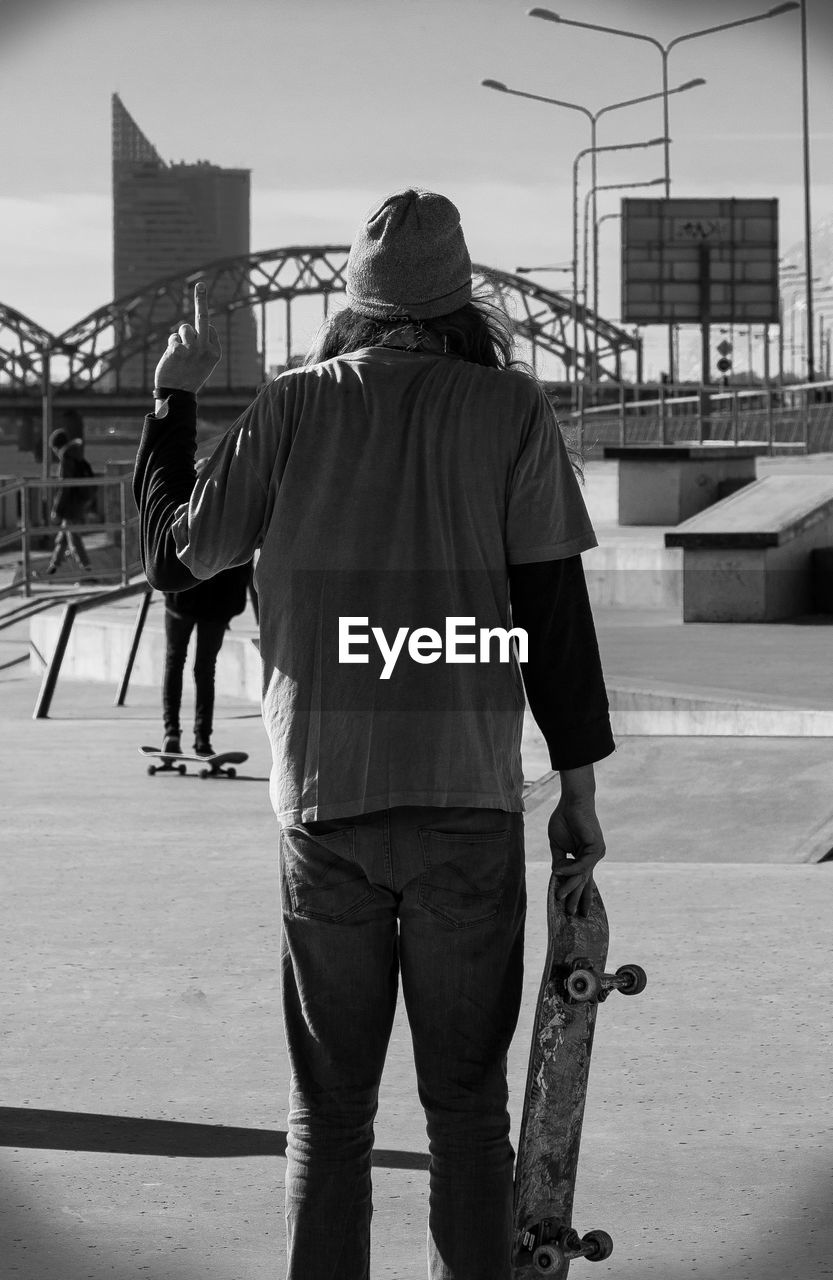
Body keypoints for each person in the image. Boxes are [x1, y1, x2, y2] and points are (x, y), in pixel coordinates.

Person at [134, 189, 615, 1280]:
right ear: (462, 301)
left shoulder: (291, 406)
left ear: (351, 300)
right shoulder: (512, 411)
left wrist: (172, 400)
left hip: (326, 802)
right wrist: (576, 792)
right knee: (463, 1108)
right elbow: (552, 617)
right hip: (466, 801)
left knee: (331, 1109)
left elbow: (176, 558)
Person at [160, 560, 253, 757]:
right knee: (205, 669)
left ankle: (171, 733)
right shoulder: (230, 527)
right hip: (218, 600)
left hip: (182, 594)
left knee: (174, 661)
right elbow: (244, 554)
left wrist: (164, 582)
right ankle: (202, 739)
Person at [45, 425, 94, 576]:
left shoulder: (66, 458)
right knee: (64, 535)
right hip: (80, 500)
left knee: (73, 536)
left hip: (71, 504)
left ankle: (86, 568)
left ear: (56, 446)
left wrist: (56, 509)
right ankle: (54, 565)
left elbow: (64, 487)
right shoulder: (76, 454)